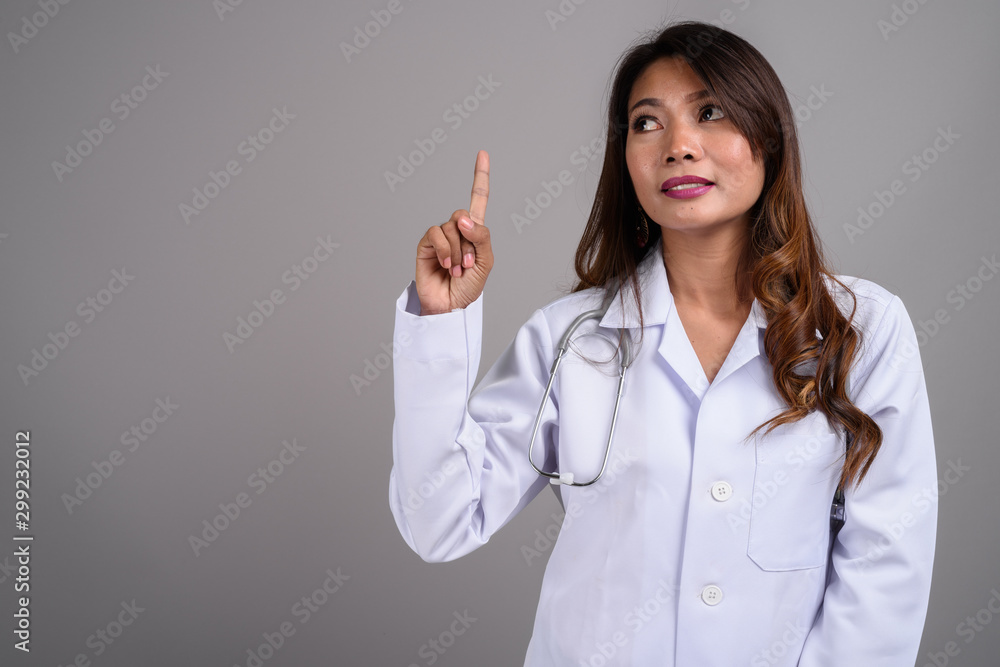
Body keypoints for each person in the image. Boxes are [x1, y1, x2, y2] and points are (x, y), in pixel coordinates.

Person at [388, 20, 937, 666]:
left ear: (769, 137)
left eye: (710, 112)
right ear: (625, 158)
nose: (678, 146)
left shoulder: (860, 331)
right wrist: (440, 321)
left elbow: (885, 566)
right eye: (647, 123)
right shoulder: (570, 339)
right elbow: (439, 521)